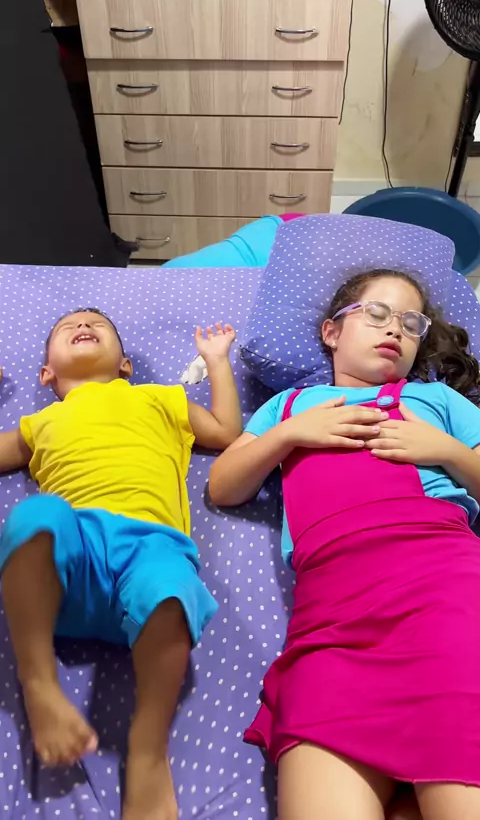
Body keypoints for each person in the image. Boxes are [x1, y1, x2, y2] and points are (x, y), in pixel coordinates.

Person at [209, 269, 480, 820]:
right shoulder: (288, 405)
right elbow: (223, 487)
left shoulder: (435, 399)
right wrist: (288, 435)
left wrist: (447, 450)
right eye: (376, 314)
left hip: (444, 595)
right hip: (330, 629)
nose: (395, 330)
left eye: (411, 323)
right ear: (331, 332)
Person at [0, 308, 242, 820]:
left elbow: (225, 431)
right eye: (68, 327)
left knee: (173, 585)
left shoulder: (160, 399)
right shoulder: (37, 423)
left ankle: (148, 747)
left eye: (98, 324)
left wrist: (217, 362)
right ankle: (38, 681)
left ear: (126, 364)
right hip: (73, 560)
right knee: (36, 517)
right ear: (46, 373)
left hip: (149, 548)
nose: (83, 325)